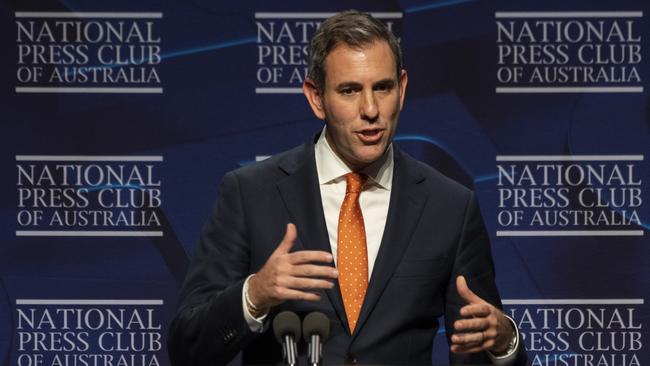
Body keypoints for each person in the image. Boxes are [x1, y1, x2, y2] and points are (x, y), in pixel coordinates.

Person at [168, 10, 527, 365]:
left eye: (382, 88)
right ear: (316, 97)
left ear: (402, 89)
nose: (370, 109)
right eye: (350, 90)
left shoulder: (450, 206)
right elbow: (188, 347)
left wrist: (503, 343)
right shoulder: (250, 194)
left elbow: (475, 344)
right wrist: (255, 294)